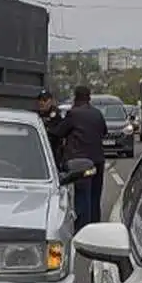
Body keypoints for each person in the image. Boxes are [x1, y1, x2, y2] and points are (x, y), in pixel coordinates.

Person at [52, 85, 107, 229]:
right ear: (89, 98)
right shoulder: (97, 114)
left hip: (80, 163)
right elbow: (104, 131)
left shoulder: (73, 114)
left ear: (76, 97)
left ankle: (83, 230)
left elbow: (59, 132)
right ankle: (95, 227)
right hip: (98, 161)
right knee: (95, 197)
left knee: (82, 197)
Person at [37, 89, 64, 167]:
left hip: (53, 149)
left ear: (50, 101)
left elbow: (57, 132)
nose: (42, 103)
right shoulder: (36, 114)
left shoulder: (56, 115)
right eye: (40, 100)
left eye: (44, 100)